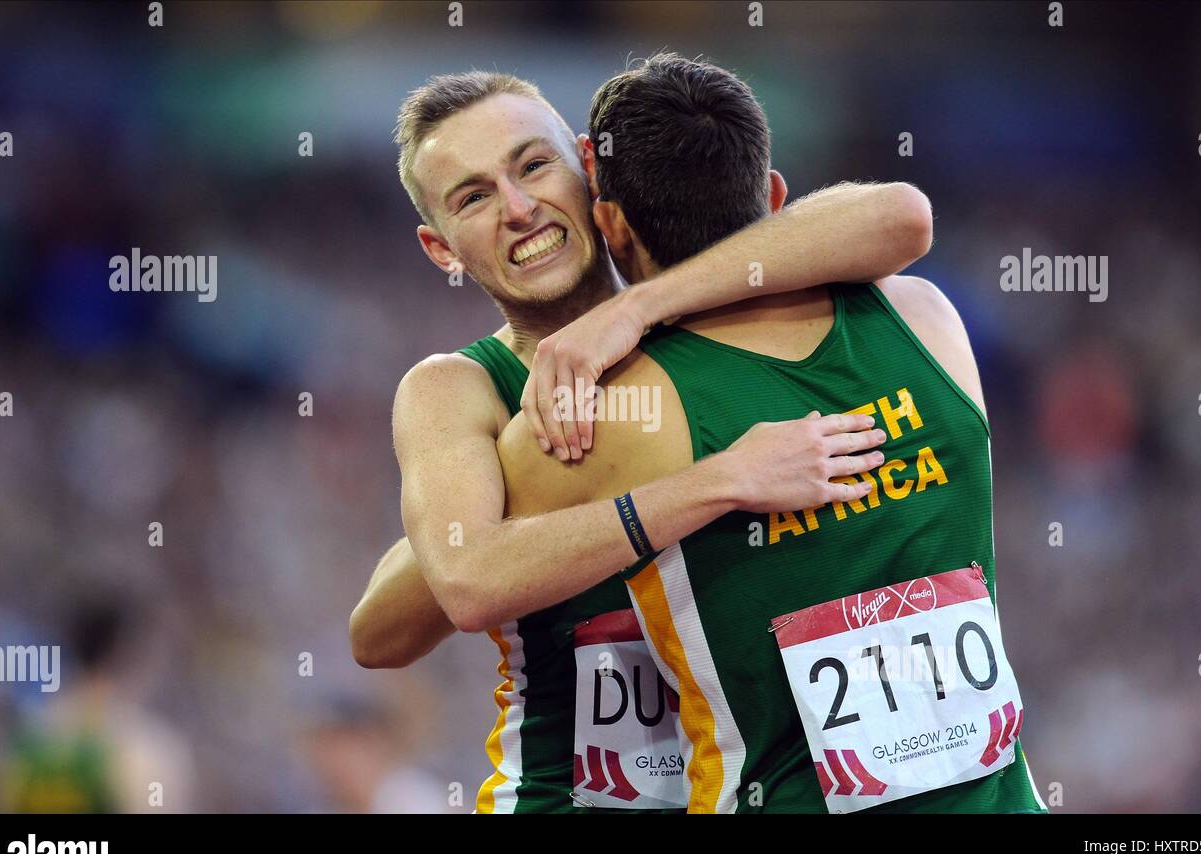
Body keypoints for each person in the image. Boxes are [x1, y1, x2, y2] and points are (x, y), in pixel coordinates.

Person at [350, 70, 932, 812]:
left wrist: (638, 310)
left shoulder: (708, 319)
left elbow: (902, 216)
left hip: (731, 784)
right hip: (572, 798)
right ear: (442, 250)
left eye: (533, 166)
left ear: (590, 168)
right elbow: (414, 613)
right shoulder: (457, 389)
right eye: (474, 197)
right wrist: (718, 480)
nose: (519, 209)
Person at [498, 53, 1046, 813]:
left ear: (611, 225)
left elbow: (462, 576)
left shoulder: (617, 411)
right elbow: (897, 217)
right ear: (776, 196)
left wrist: (461, 386)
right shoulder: (924, 319)